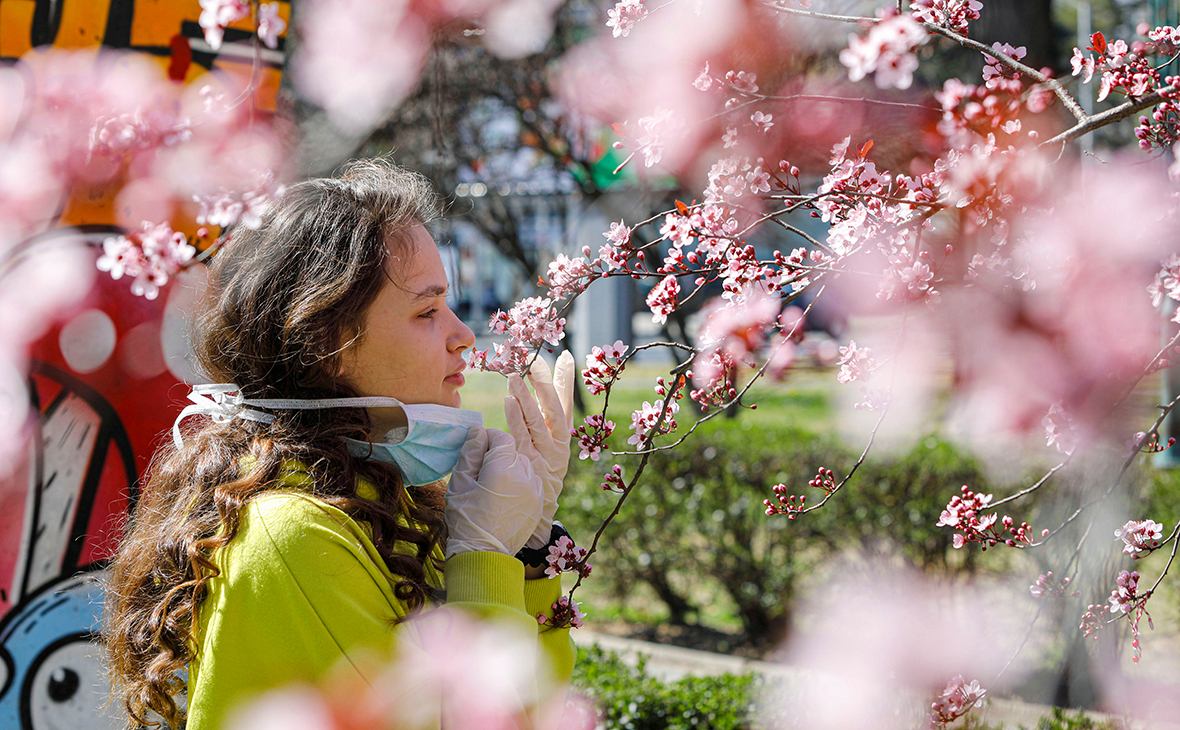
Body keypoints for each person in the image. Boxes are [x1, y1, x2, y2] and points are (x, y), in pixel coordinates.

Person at [104, 159, 578, 730]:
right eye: (427, 311)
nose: (463, 335)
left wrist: (526, 551)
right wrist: (484, 560)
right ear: (330, 342)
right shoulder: (294, 534)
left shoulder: (371, 497)